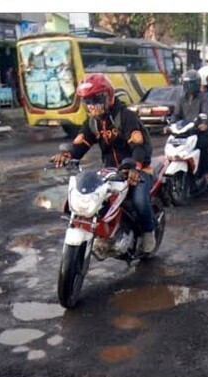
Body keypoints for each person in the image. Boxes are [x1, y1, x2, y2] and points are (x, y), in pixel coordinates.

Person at [51, 74, 157, 254]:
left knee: (139, 201)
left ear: (108, 96)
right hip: (110, 172)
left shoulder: (125, 116)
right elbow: (81, 142)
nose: (92, 105)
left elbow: (138, 145)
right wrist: (67, 154)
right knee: (96, 202)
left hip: (137, 169)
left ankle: (149, 231)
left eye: (96, 99)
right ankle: (104, 234)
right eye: (88, 101)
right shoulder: (93, 122)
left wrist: (134, 166)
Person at [172, 69, 208, 182]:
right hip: (184, 130)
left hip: (198, 130)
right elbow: (176, 114)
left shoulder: (203, 98)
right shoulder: (181, 99)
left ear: (196, 84)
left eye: (191, 83)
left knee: (202, 145)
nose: (188, 86)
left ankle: (205, 172)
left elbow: (206, 113)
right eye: (186, 83)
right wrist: (171, 125)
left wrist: (204, 124)